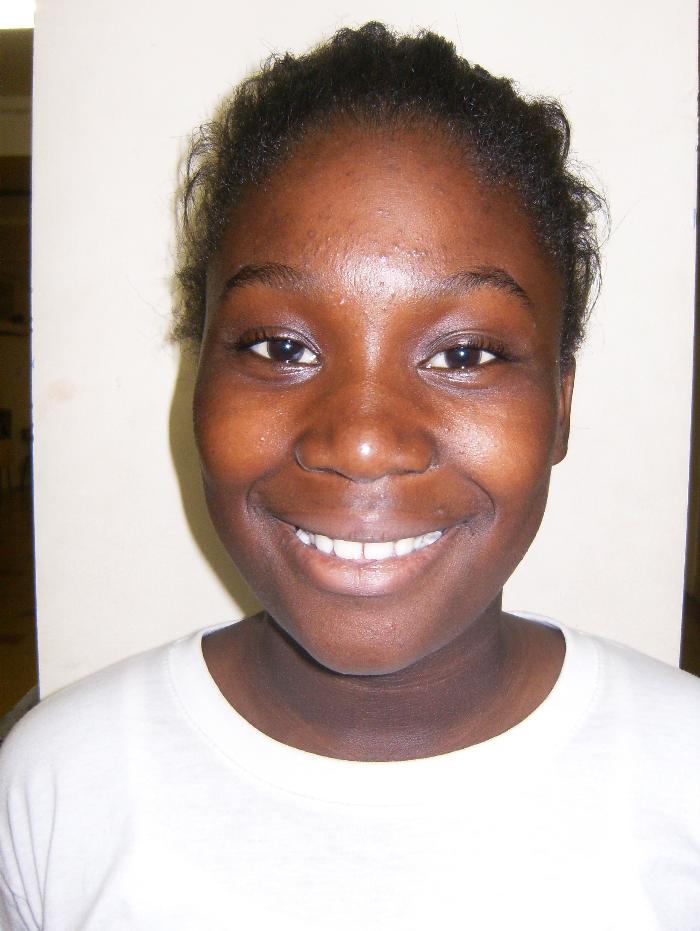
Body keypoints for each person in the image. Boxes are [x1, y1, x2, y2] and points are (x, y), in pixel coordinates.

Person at [1, 22, 698, 930]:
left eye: (465, 354)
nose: (363, 443)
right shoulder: (54, 785)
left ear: (560, 406)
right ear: (200, 380)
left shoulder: (683, 775)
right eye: (280, 346)